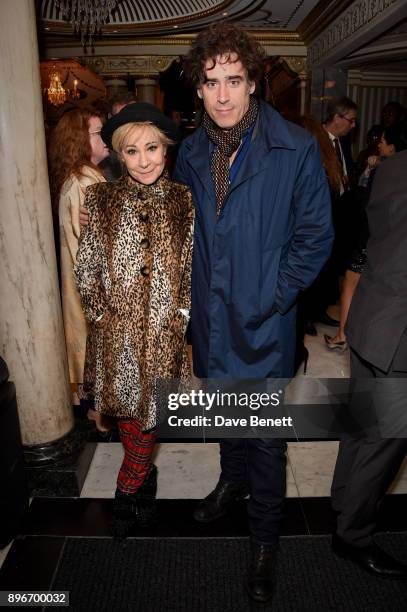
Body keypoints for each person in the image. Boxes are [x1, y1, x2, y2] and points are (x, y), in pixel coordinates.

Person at [173, 23, 333, 602]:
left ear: (254, 82)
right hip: (210, 321)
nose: (222, 95)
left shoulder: (293, 147)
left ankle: (265, 538)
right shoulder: (189, 153)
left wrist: (273, 295)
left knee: (265, 438)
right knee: (222, 413)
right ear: (198, 88)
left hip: (264, 322)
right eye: (211, 82)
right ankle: (229, 482)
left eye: (233, 81)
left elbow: (316, 238)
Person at [74, 103, 194, 537]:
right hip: (117, 333)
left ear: (166, 150)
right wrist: (100, 314)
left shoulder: (183, 200)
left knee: (153, 411)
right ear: (118, 156)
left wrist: (182, 314)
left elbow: (191, 265)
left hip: (164, 331)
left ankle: (127, 486)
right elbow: (85, 265)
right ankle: (144, 479)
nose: (143, 160)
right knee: (128, 410)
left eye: (152, 149)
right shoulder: (100, 199)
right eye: (131, 151)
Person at [331, 121, 407, 578]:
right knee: (387, 440)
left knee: (360, 423)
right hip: (399, 332)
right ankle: (352, 534)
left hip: (370, 315)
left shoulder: (390, 169)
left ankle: (343, 500)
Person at [48, 108, 110, 430]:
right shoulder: (84, 182)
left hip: (85, 290)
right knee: (95, 349)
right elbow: (82, 248)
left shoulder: (83, 177)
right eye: (97, 132)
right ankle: (98, 415)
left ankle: (95, 411)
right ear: (79, 141)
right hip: (92, 292)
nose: (104, 138)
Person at [325, 124, 407, 351]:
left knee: (352, 280)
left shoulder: (388, 170)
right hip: (382, 241)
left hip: (372, 236)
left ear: (392, 147)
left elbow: (370, 205)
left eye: (382, 142)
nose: (378, 145)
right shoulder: (384, 166)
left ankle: (343, 333)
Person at [319, 96, 358, 327]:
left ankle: (321, 308)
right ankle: (310, 314)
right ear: (337, 118)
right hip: (323, 214)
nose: (354, 126)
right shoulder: (315, 140)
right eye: (351, 121)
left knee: (331, 267)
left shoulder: (342, 142)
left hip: (340, 214)